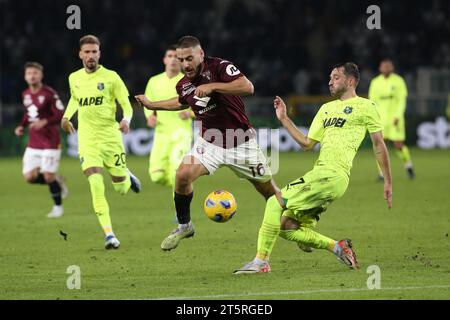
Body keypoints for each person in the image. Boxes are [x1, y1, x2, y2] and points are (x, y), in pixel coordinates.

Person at [234, 62, 393, 274]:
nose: (330, 81)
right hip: (321, 175)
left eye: (336, 77)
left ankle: (261, 262)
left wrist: (388, 180)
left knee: (274, 201)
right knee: (286, 226)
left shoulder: (366, 106)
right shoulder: (326, 109)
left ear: (351, 81)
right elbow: (307, 143)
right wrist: (284, 118)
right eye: (330, 77)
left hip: (333, 175)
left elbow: (379, 144)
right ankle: (338, 247)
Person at [135, 35, 281, 251]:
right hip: (210, 142)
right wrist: (151, 104)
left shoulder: (219, 67)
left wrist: (213, 86)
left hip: (241, 142)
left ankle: (295, 225)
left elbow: (247, 87)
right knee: (182, 175)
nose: (185, 64)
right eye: (181, 59)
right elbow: (181, 102)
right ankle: (185, 225)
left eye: (189, 58)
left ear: (201, 54)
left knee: (269, 192)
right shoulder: (183, 84)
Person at [61, 35, 141, 249]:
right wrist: (66, 117)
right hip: (87, 141)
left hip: (110, 138)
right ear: (80, 54)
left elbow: (127, 103)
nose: (90, 56)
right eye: (86, 52)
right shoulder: (74, 78)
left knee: (121, 189)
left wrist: (126, 120)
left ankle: (126, 175)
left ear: (99, 53)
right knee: (96, 184)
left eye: (94, 52)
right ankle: (109, 235)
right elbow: (74, 99)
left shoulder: (111, 77)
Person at [14, 62, 68, 218]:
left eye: (35, 73)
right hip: (34, 142)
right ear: (25, 77)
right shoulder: (25, 94)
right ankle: (57, 181)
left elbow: (60, 113)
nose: (32, 75)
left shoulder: (50, 93)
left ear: (41, 75)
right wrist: (22, 126)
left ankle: (58, 208)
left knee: (48, 176)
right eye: (29, 73)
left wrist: (45, 122)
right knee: (29, 177)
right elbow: (28, 114)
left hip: (50, 141)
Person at [144, 45, 194, 188]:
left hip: (182, 134)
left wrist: (190, 113)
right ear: (164, 60)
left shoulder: (188, 82)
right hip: (161, 134)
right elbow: (148, 103)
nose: (173, 60)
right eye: (170, 56)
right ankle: (182, 188)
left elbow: (202, 106)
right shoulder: (154, 81)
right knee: (157, 176)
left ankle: (180, 208)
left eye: (176, 57)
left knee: (176, 172)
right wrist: (150, 116)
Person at [369, 58, 415, 180]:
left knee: (398, 145)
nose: (386, 68)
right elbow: (372, 101)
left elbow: (401, 101)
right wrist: (374, 117)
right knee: (379, 145)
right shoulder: (375, 82)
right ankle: (381, 174)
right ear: (380, 68)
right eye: (384, 66)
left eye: (388, 66)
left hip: (395, 119)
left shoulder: (399, 81)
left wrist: (398, 116)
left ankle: (408, 166)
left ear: (392, 68)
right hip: (380, 119)